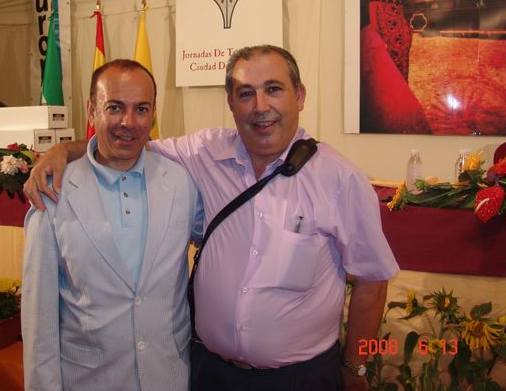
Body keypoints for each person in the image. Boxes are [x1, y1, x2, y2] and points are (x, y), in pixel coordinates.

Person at [25, 45, 399, 391]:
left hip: (300, 378)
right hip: (209, 373)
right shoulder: (201, 155)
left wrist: (355, 369)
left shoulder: (341, 180)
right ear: (231, 103)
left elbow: (373, 280)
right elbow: (126, 143)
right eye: (246, 93)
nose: (260, 106)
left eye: (273, 89)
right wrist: (63, 150)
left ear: (299, 96)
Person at [22, 59, 204, 391]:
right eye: (115, 107)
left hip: (168, 377)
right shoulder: (53, 194)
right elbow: (39, 322)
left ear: (153, 114)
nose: (128, 122)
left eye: (141, 109)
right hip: (90, 381)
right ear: (91, 111)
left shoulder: (181, 182)